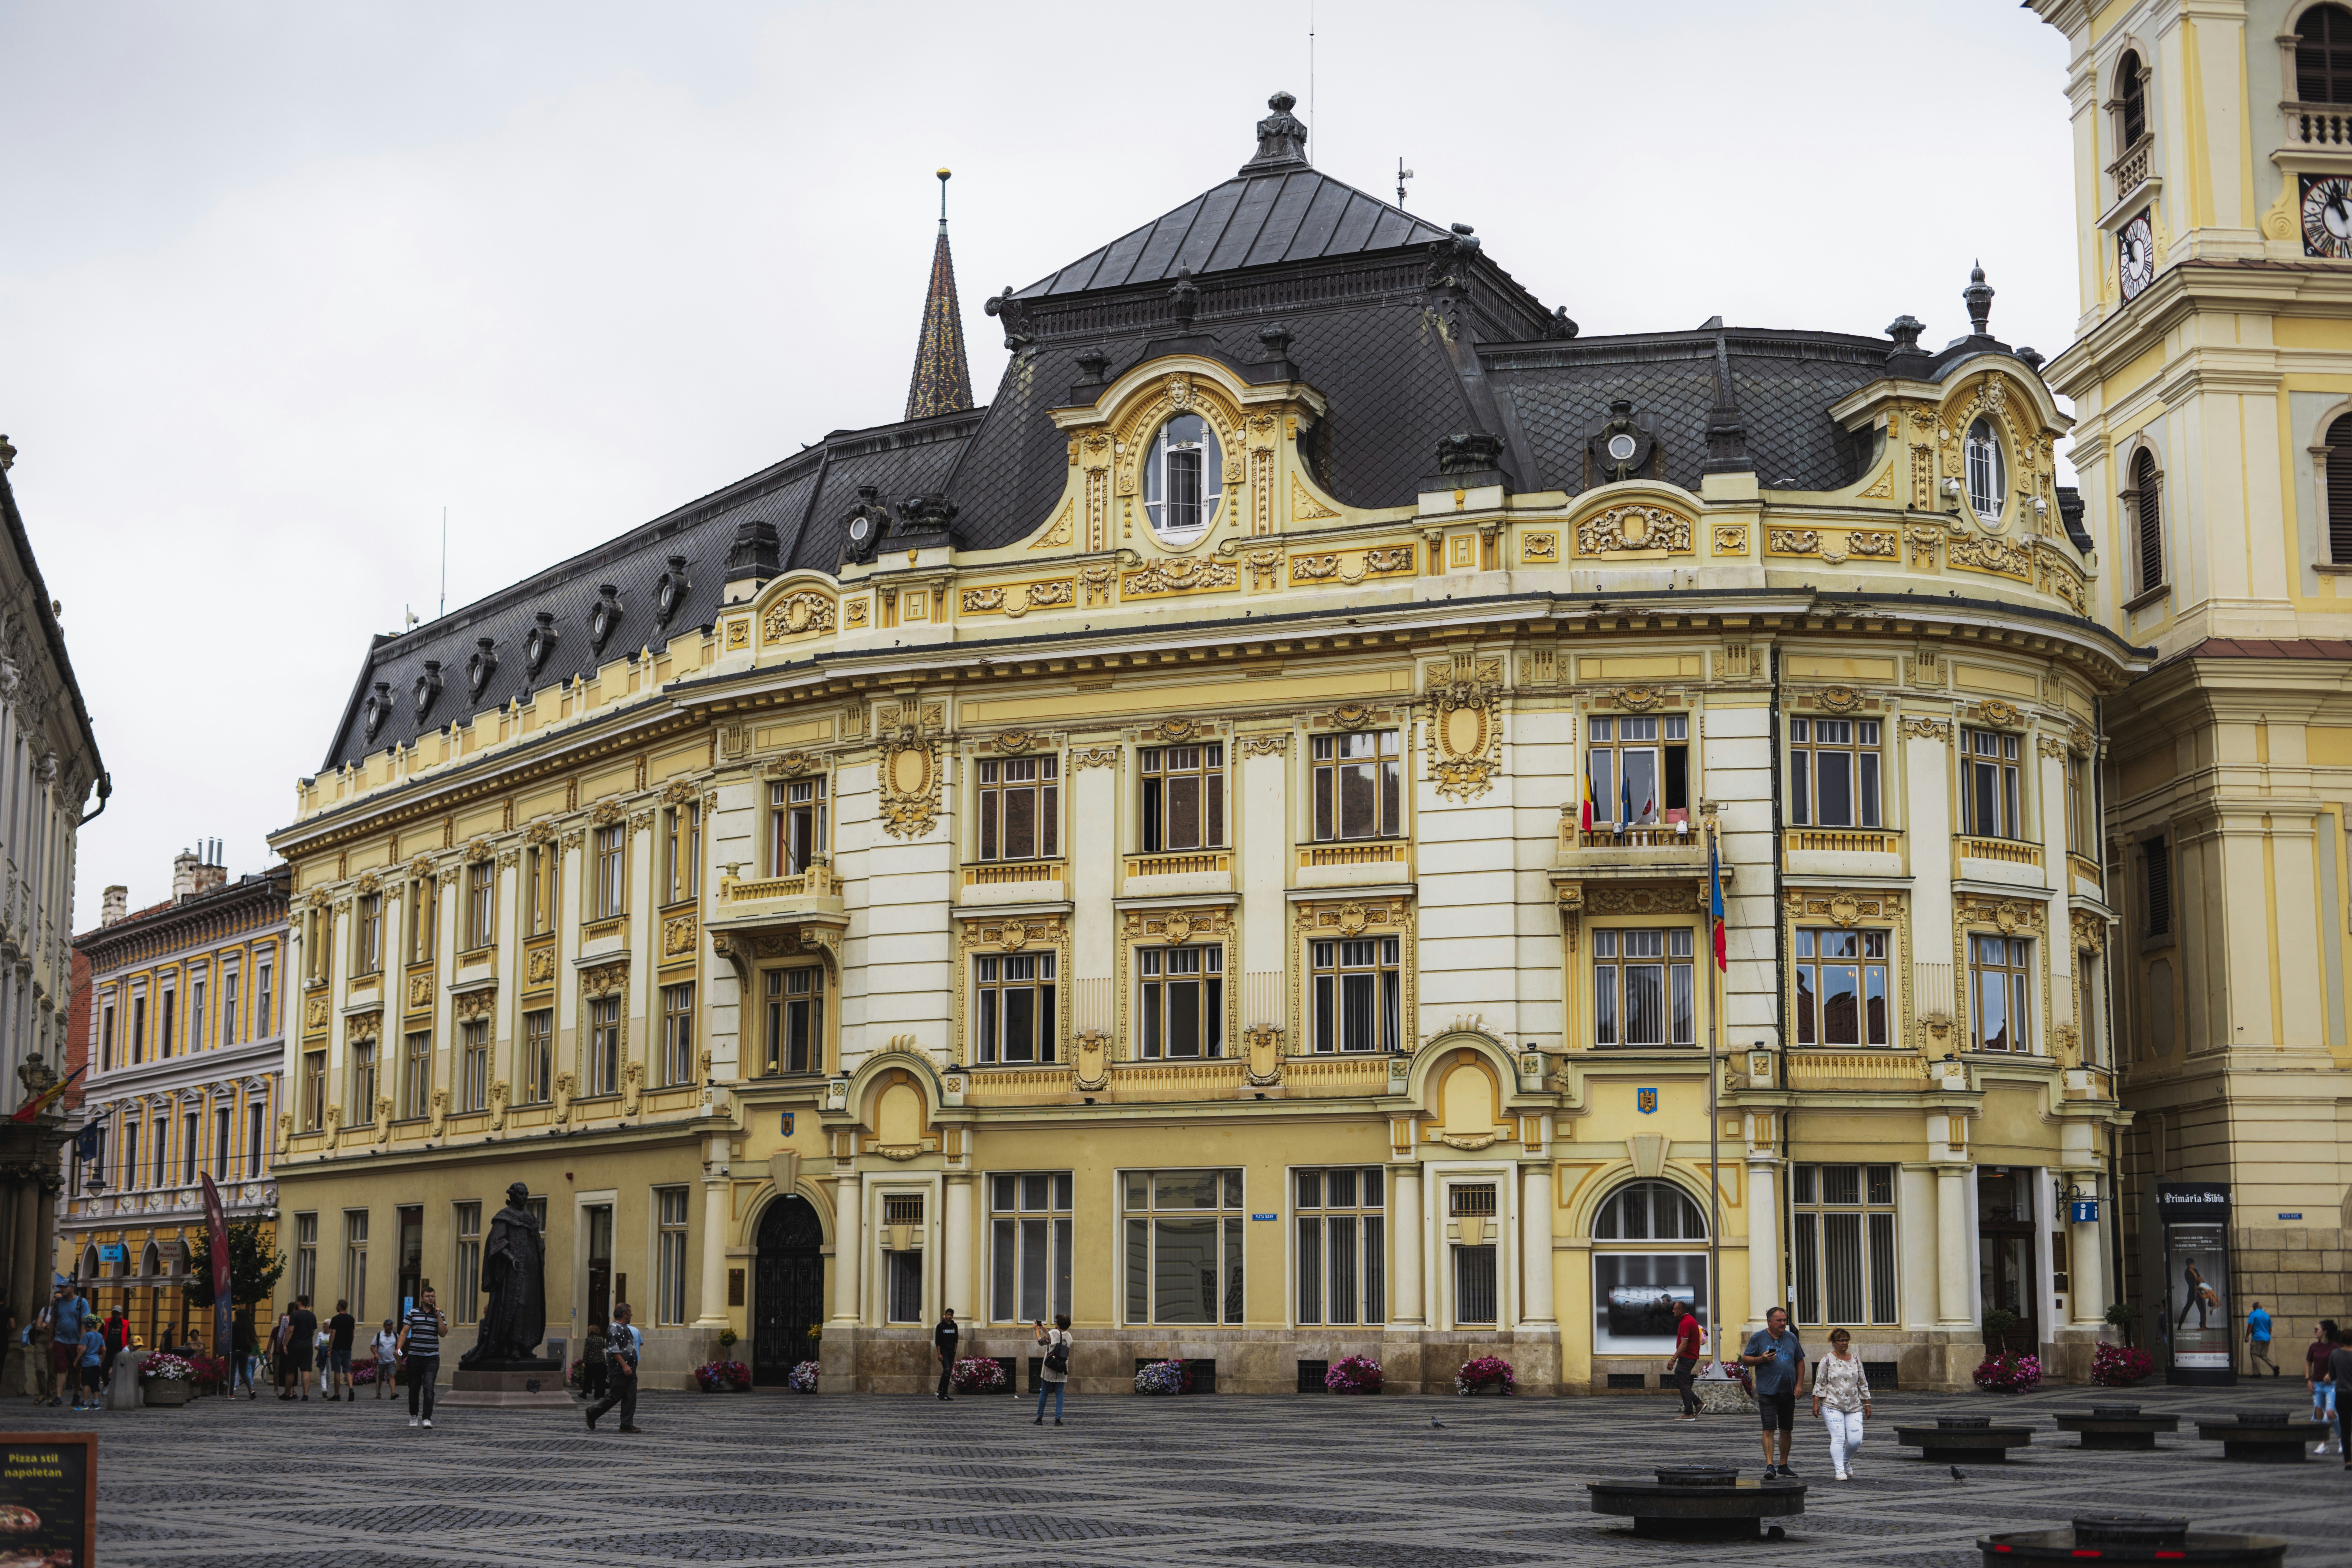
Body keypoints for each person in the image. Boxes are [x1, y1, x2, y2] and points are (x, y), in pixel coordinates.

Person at [1739, 1306, 1808, 1479]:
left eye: (1785, 1320)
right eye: (1779, 1321)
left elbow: (1800, 1361)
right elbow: (1745, 1359)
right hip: (1768, 1392)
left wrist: (1799, 1385)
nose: (1783, 1323)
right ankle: (1770, 1466)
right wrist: (1761, 1359)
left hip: (1788, 1391)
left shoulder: (1791, 1337)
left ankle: (1783, 1465)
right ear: (1770, 1322)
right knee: (1769, 1429)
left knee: (1787, 1430)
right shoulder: (1758, 1338)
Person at [1811, 1328, 1872, 1480]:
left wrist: (1868, 1403)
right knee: (1838, 1437)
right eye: (1841, 1340)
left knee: (1856, 1440)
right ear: (1833, 1342)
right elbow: (1820, 1383)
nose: (1845, 1343)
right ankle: (1840, 1471)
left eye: (1847, 1340)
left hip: (1854, 1406)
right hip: (1831, 1405)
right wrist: (1816, 1404)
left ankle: (1844, 1461)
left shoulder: (1855, 1360)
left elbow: (1862, 1382)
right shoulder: (1827, 1360)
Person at [585, 1302, 641, 1432]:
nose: (632, 1315)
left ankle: (627, 1424)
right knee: (615, 1396)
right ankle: (592, 1413)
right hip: (619, 1369)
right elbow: (614, 1350)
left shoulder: (625, 1328)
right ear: (624, 1314)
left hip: (630, 1369)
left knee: (630, 1397)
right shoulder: (614, 1328)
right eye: (630, 1313)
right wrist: (624, 1366)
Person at [398, 1285, 447, 1429]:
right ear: (422, 1298)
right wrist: (399, 1349)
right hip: (415, 1357)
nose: (431, 1298)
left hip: (432, 1358)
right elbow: (404, 1332)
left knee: (429, 1387)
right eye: (428, 1296)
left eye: (433, 1296)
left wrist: (438, 1316)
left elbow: (443, 1333)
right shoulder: (413, 1313)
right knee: (414, 1388)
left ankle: (427, 1418)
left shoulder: (439, 1314)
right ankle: (414, 1415)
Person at [47, 1286, 88, 1408]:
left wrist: (82, 1343)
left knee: (76, 1370)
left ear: (72, 1288)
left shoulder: (82, 1302)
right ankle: (59, 1397)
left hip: (76, 1342)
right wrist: (50, 1341)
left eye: (64, 1287)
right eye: (61, 1288)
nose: (62, 1290)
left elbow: (84, 1324)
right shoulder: (58, 1303)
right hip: (60, 1340)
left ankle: (76, 1394)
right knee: (60, 1369)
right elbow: (53, 1322)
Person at [1668, 1301, 1704, 1421]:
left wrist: (1673, 1359)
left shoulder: (1686, 1322)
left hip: (1687, 1357)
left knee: (1683, 1384)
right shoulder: (1688, 1320)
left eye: (1675, 1309)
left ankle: (1689, 1413)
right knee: (1678, 1381)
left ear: (1681, 1311)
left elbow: (1684, 1344)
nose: (1673, 1311)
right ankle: (1698, 1403)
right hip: (1688, 1357)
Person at [1033, 1314, 1071, 1426]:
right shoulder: (1069, 1336)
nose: (1055, 1323)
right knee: (1059, 1393)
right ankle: (1058, 1419)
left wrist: (1037, 1330)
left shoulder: (1053, 1333)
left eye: (1056, 1321)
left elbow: (1041, 1342)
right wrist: (1045, 1330)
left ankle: (1039, 1418)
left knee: (1044, 1392)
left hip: (1050, 1365)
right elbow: (1056, 1339)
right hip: (1061, 1367)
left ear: (1059, 1324)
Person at [2315, 1320, 2343, 1457]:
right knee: (2319, 1413)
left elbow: (2339, 1365)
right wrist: (2308, 1380)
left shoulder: (2336, 1347)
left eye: (2317, 1329)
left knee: (2331, 1412)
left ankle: (2342, 1439)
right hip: (2318, 1384)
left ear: (2325, 1332)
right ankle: (2323, 1444)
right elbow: (2309, 1363)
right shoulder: (2314, 1346)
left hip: (2332, 1385)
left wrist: (2330, 1374)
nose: (2315, 1331)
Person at [2327, 1325, 2352, 1470]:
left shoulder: (2335, 1354)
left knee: (2345, 1429)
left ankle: (2348, 1461)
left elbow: (2332, 1374)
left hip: (2342, 1395)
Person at [284, 1296, 317, 1402]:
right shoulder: (312, 1315)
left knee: (291, 1371)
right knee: (306, 1370)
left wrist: (285, 1344)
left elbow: (290, 1330)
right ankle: (306, 1395)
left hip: (295, 1345)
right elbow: (313, 1332)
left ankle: (287, 1394)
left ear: (299, 1303)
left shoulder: (295, 1314)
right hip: (307, 1346)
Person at [328, 1299, 357, 1401]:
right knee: (347, 1370)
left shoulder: (335, 1319)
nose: (336, 1307)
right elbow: (353, 1334)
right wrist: (350, 1344)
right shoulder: (351, 1319)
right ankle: (351, 1389)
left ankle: (337, 1394)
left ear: (340, 1307)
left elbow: (333, 1335)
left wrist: (329, 1348)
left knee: (337, 1371)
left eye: (337, 1305)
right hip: (347, 1348)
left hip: (337, 1348)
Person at [72, 1320, 103, 1412]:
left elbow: (83, 1349)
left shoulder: (87, 1336)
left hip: (87, 1363)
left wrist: (76, 1360)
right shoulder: (100, 1335)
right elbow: (104, 1349)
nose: (84, 1327)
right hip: (97, 1362)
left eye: (85, 1325)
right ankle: (96, 1403)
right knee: (95, 1383)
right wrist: (102, 1360)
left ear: (89, 1325)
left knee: (86, 1383)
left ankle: (85, 1403)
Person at [2245, 1300, 2278, 1377]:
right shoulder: (2267, 1315)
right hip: (2267, 1338)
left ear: (2254, 1308)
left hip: (2257, 1338)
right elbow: (2270, 1328)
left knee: (2254, 1354)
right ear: (2261, 1307)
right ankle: (2274, 1367)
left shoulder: (2253, 1314)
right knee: (2263, 1355)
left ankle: (2257, 1373)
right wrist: (2268, 1336)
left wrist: (2247, 1336)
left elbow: (2250, 1325)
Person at [934, 1307, 960, 1401]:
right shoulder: (941, 1326)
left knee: (948, 1374)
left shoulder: (954, 1326)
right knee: (947, 1370)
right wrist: (939, 1354)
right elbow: (938, 1341)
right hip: (944, 1351)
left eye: (951, 1315)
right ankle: (939, 1392)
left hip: (951, 1352)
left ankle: (945, 1394)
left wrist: (954, 1351)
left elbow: (956, 1340)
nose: (950, 1316)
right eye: (948, 1315)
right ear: (945, 1315)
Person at [230, 1312, 258, 1399]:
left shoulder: (234, 1325)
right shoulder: (250, 1326)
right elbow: (253, 1339)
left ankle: (231, 1394)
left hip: (234, 1350)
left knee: (232, 1373)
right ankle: (251, 1390)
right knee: (244, 1372)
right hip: (245, 1352)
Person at [370, 1318, 398, 1398]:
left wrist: (398, 1351)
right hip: (381, 1361)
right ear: (384, 1326)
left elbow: (399, 1346)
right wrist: (375, 1354)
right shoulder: (379, 1335)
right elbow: (372, 1346)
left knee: (392, 1376)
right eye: (389, 1326)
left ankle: (393, 1393)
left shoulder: (395, 1335)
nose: (390, 1327)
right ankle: (378, 1393)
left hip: (392, 1360)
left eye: (391, 1325)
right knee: (379, 1377)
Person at [2178, 1259, 2209, 1329]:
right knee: (2187, 1308)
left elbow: (2199, 1279)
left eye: (2191, 1264)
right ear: (2187, 1265)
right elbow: (2191, 1284)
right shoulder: (2187, 1273)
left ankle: (2202, 1325)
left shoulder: (2195, 1270)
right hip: (2192, 1292)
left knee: (2203, 1309)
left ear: (2193, 1264)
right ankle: (2180, 1324)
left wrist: (2203, 1288)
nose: (2190, 1266)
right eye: (2189, 1264)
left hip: (2199, 1291)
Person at [582, 1320, 608, 1403]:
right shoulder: (601, 1339)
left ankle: (585, 1393)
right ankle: (598, 1395)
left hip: (591, 1361)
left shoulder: (588, 1340)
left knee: (588, 1379)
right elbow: (604, 1347)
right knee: (599, 1379)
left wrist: (584, 1361)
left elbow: (586, 1351)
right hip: (600, 1361)